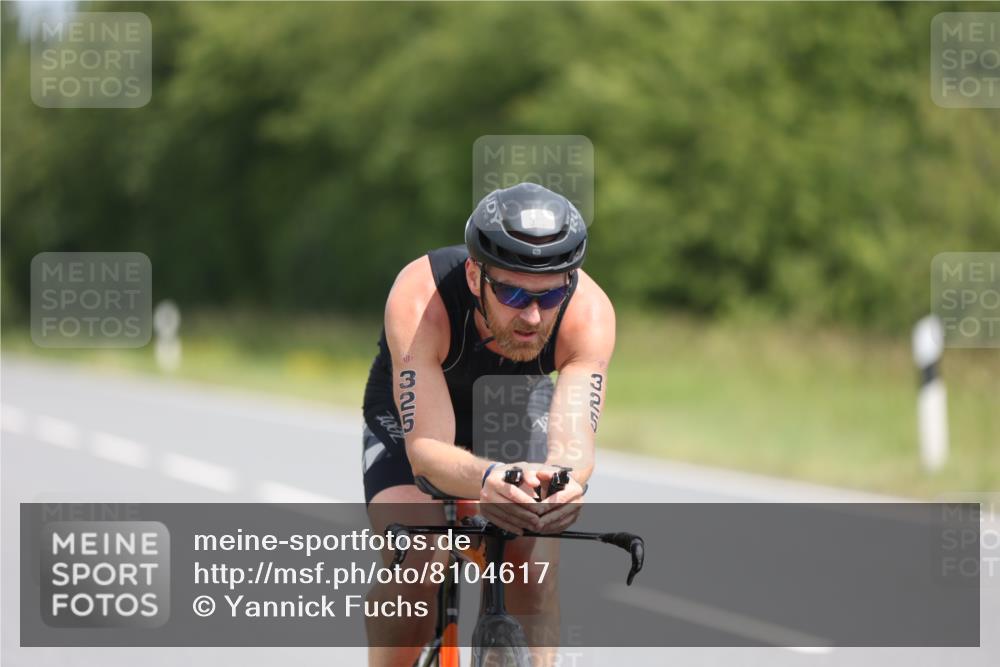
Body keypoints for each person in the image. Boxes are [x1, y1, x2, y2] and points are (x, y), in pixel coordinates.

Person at [361, 182, 615, 666]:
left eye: (553, 292)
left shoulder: (589, 313)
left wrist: (559, 486)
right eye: (513, 292)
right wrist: (485, 480)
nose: (534, 316)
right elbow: (427, 450)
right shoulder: (422, 297)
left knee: (533, 569)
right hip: (414, 420)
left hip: (513, 414)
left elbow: (574, 446)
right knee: (415, 561)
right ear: (476, 275)